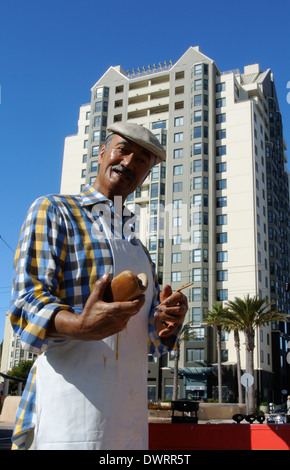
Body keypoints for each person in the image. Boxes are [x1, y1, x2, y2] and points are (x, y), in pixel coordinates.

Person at [9, 122, 188, 450]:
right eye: (123, 150)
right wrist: (79, 325)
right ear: (102, 152)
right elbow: (25, 303)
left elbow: (145, 340)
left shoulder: (140, 249)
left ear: (147, 174)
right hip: (68, 408)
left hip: (128, 417)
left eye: (143, 159)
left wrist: (165, 324)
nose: (130, 162)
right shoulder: (56, 211)